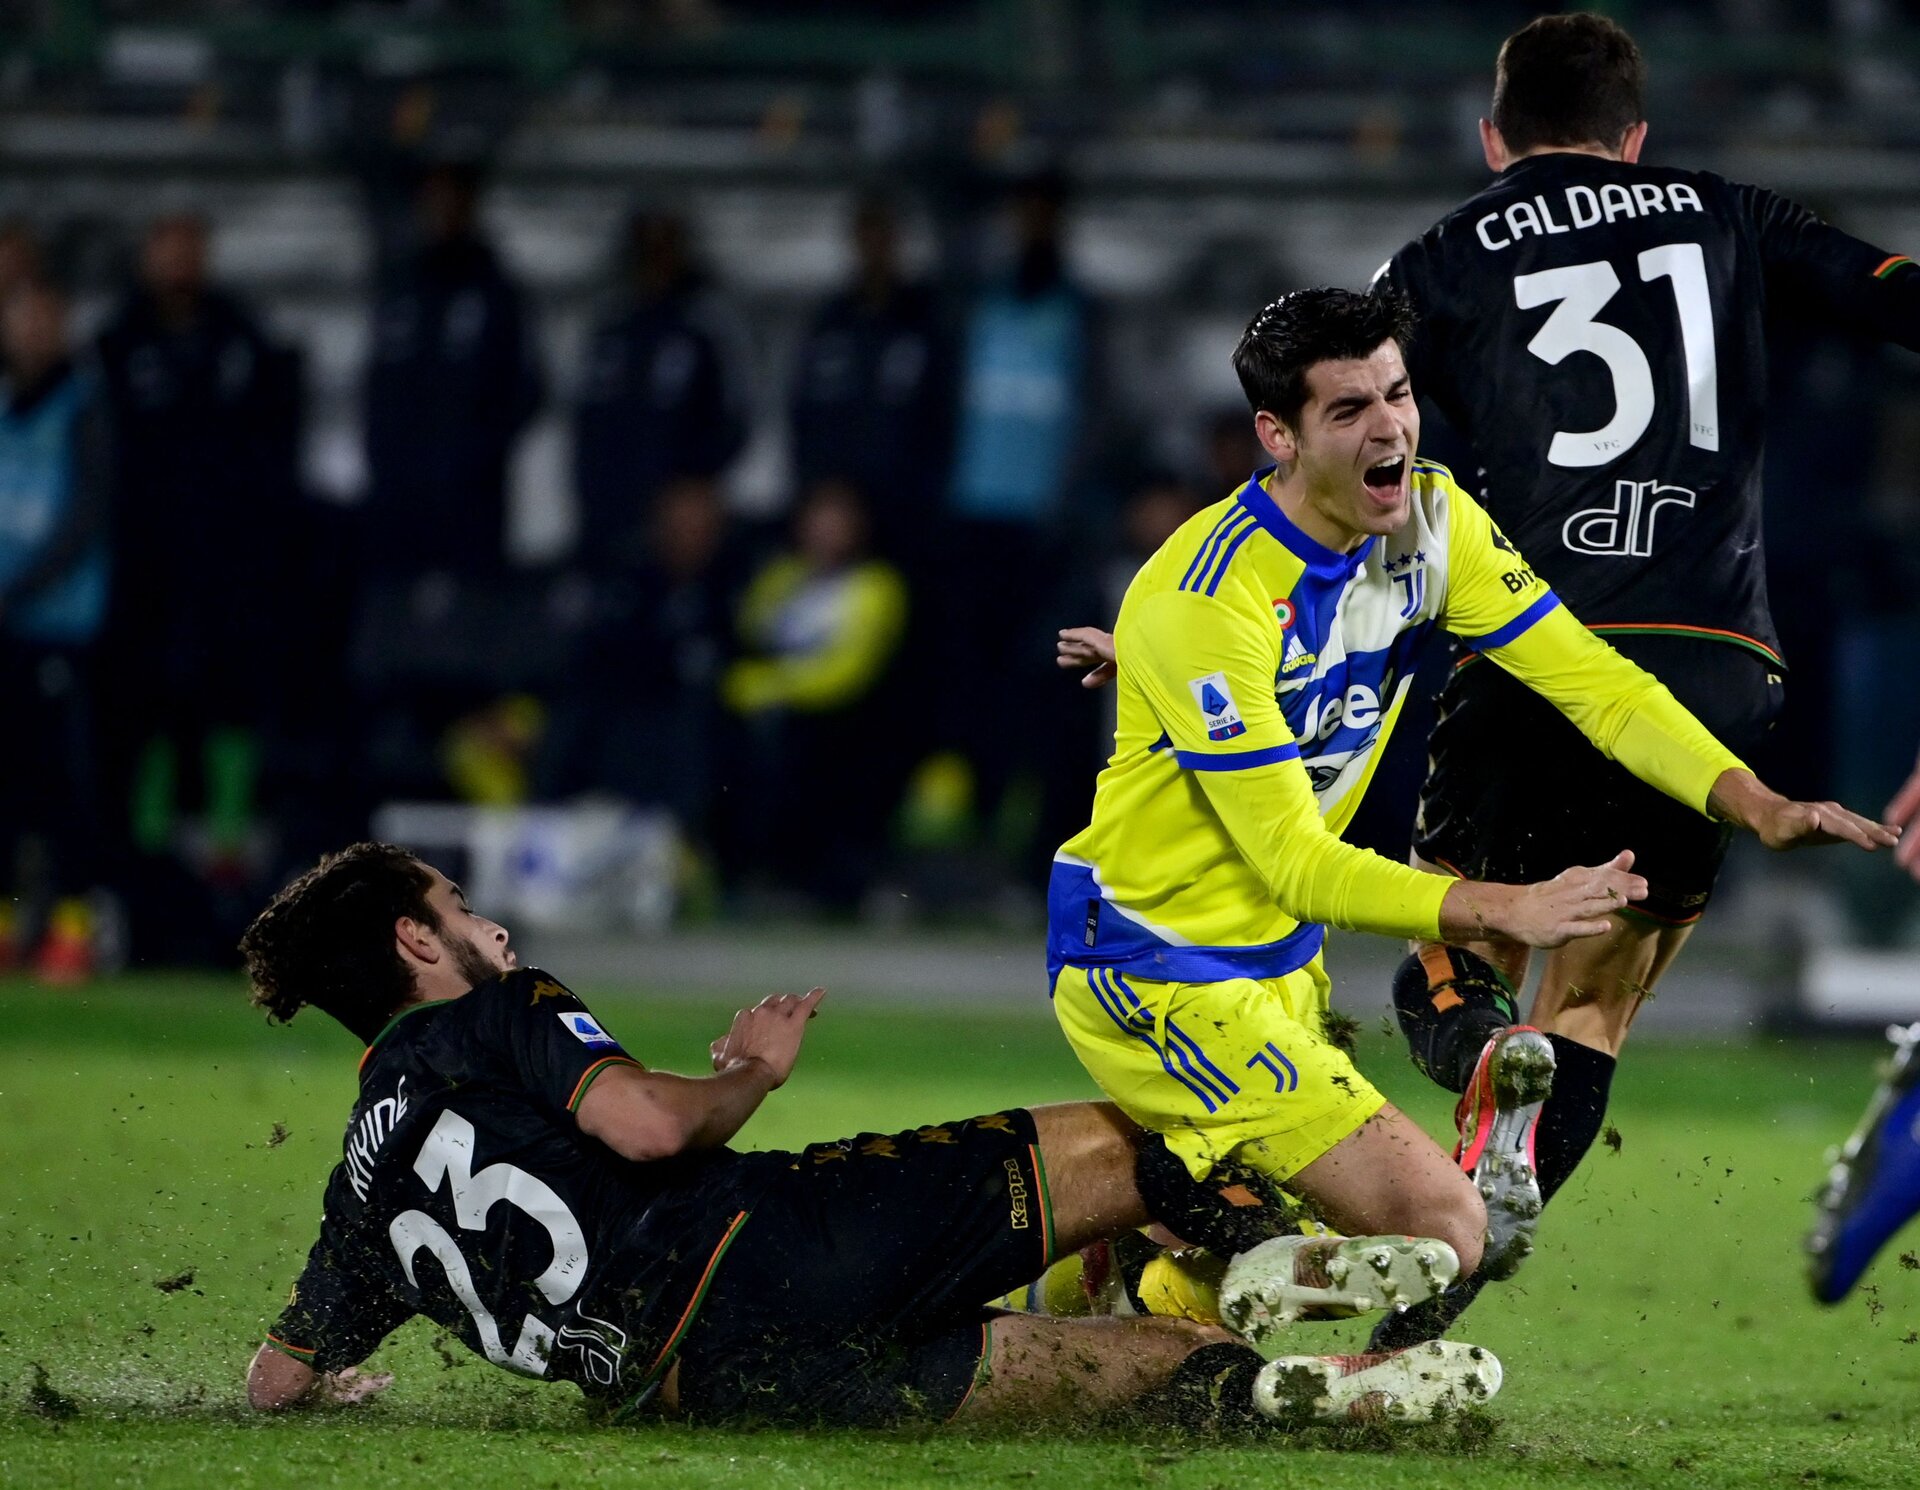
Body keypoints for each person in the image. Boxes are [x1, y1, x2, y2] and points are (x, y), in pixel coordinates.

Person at [1047, 286, 1893, 1328]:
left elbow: (1594, 680)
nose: (1391, 425)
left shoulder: (1433, 523)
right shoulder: (1202, 598)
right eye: (1349, 409)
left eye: (1397, 394)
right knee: (1441, 1231)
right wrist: (1510, 908)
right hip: (1153, 959)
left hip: (1276, 965)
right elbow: (1297, 863)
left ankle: (1119, 1268)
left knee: (1347, 1237)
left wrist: (1752, 800)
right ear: (1278, 434)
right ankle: (1149, 1279)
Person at [1359, 10, 1920, 1347]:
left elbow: (1347, 422)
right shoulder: (1730, 214)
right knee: (1599, 998)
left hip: (1541, 644)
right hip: (1717, 670)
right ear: (1637, 136)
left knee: (1462, 945)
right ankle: (1425, 1308)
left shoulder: (1441, 255)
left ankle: (1481, 1062)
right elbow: (1894, 290)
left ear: (1495, 139)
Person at [239, 842, 1503, 1429]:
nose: (491, 927)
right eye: (460, 906)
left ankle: (1308, 1389)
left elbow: (276, 1378)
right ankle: (1259, 1250)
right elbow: (640, 1121)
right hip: (775, 1244)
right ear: (418, 943)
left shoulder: (361, 1187)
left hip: (715, 1389)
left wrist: (343, 1381)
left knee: (1131, 1381)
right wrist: (745, 1075)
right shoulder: (501, 1011)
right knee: (1150, 1129)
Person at [0, 277, 112, 979]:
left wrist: (18, 586)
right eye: (21, 317)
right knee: (8, 787)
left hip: (63, 629)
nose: (33, 330)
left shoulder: (84, 407)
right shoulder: (6, 406)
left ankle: (73, 925)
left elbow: (84, 517)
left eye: (45, 315)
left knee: (66, 787)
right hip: (8, 627)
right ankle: (9, 923)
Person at [571, 211, 749, 573]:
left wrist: (694, 487)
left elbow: (736, 417)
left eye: (665, 247)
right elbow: (584, 417)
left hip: (678, 517)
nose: (656, 260)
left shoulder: (708, 324)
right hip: (609, 510)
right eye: (646, 249)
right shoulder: (611, 326)